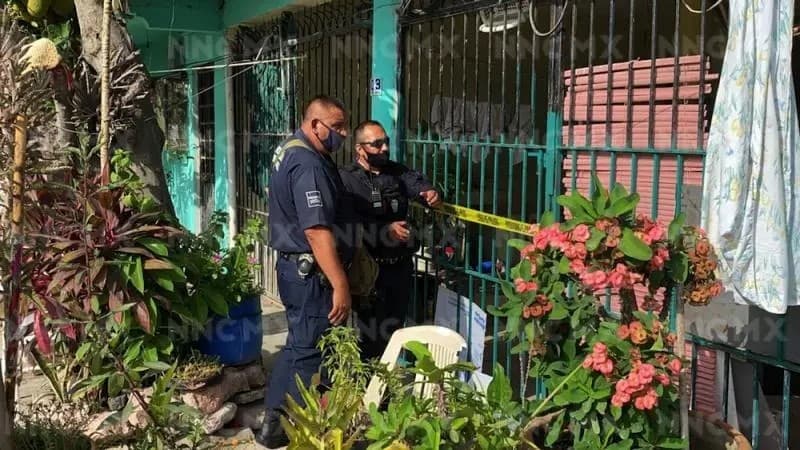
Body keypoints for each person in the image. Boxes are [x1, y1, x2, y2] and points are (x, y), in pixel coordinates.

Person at [257, 96, 354, 448]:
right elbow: (316, 231)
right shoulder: (308, 163)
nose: (343, 134)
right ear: (315, 124)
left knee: (298, 344)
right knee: (310, 350)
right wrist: (340, 284)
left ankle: (271, 423)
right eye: (337, 127)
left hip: (294, 268)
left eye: (345, 126)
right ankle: (294, 432)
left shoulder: (290, 147)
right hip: (310, 272)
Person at [339, 120, 442, 361]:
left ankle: (385, 389)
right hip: (368, 271)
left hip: (400, 268)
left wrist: (431, 192)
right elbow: (346, 224)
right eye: (376, 144)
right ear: (359, 149)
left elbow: (417, 183)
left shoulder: (396, 172)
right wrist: (384, 231)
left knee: (394, 331)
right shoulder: (346, 179)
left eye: (385, 142)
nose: (384, 148)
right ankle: (364, 391)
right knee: (368, 337)